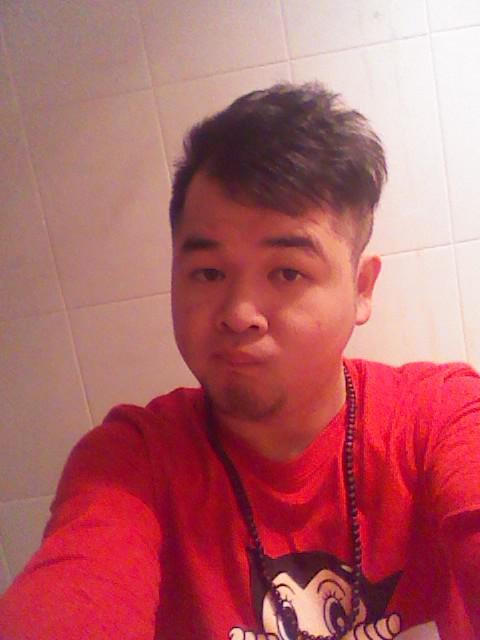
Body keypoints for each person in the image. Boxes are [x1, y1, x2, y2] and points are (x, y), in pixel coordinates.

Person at [0, 83, 479, 640]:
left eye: (287, 272)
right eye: (208, 273)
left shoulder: (438, 420)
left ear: (361, 288)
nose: (238, 314)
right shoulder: (132, 462)